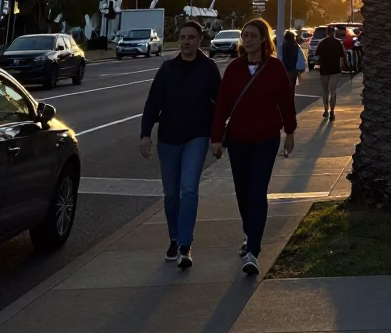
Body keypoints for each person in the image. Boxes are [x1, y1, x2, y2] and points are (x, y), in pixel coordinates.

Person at [211, 18, 297, 277]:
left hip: (266, 140)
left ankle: (253, 251)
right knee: (242, 191)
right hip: (238, 140)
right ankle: (250, 233)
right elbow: (222, 105)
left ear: (263, 39)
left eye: (251, 35)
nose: (246, 40)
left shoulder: (275, 68)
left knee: (257, 191)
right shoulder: (234, 69)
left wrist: (290, 132)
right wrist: (216, 137)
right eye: (244, 36)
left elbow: (286, 102)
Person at [140, 20, 221, 270]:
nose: (187, 41)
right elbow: (153, 103)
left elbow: (220, 106)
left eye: (192, 37)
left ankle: (185, 245)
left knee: (188, 190)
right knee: (171, 194)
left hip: (196, 137)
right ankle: (174, 238)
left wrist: (218, 137)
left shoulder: (209, 69)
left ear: (200, 40)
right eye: (183, 37)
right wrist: (145, 134)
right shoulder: (167, 69)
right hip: (168, 139)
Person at [316, 24, 345, 120]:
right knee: (333, 91)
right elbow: (341, 57)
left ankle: (325, 110)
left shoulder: (322, 43)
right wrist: (340, 68)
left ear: (327, 32)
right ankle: (332, 111)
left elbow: (317, 56)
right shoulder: (338, 43)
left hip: (324, 70)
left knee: (325, 92)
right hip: (335, 70)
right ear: (334, 33)